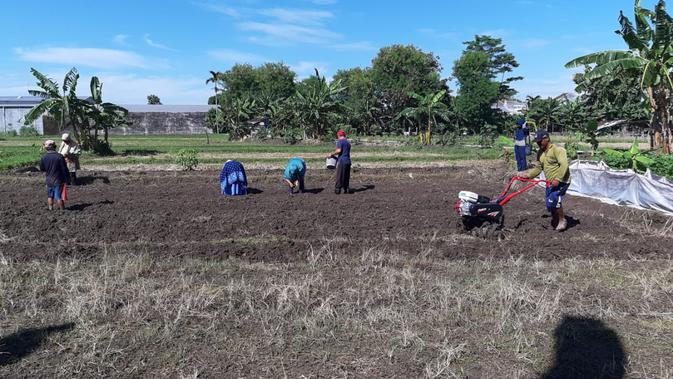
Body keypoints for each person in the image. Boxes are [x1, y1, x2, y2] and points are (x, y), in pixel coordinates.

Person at [522, 130, 571, 231]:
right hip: (550, 182)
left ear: (547, 139)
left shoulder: (557, 150)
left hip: (562, 180)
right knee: (550, 204)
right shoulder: (540, 152)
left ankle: (562, 220)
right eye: (537, 142)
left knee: (555, 199)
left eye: (540, 141)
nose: (538, 143)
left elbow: (564, 164)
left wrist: (558, 178)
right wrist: (528, 175)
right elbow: (538, 168)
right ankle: (556, 219)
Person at [39, 140, 70, 210]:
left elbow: (42, 169)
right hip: (58, 179)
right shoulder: (59, 156)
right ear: (55, 147)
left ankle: (50, 208)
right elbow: (64, 169)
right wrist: (67, 178)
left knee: (50, 196)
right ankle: (62, 210)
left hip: (49, 180)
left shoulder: (44, 157)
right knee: (59, 196)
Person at [328, 130, 351, 194]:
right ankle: (346, 189)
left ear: (338, 135)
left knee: (339, 176)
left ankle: (337, 189)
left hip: (342, 161)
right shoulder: (348, 143)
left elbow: (339, 151)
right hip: (348, 161)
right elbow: (344, 153)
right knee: (346, 176)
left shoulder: (340, 141)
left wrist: (331, 154)